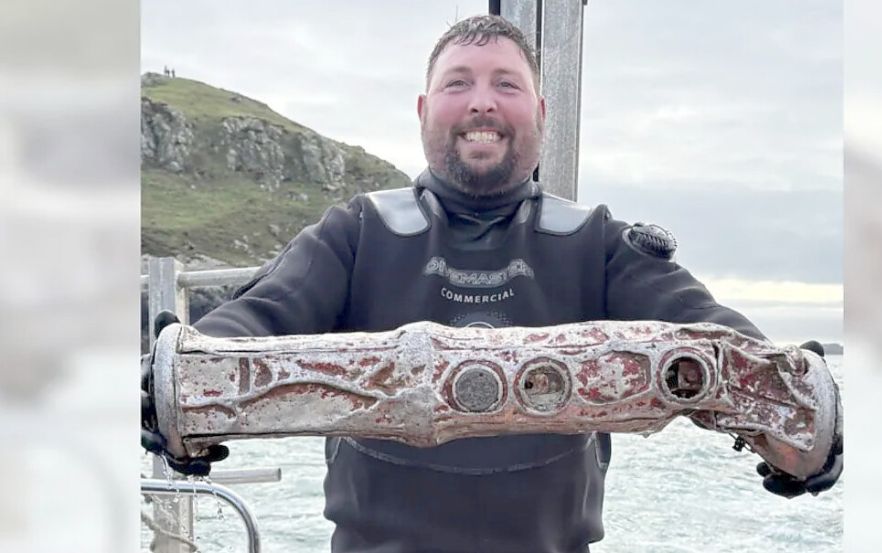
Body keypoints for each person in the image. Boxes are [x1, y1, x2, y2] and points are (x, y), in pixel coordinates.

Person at [142, 15, 842, 553]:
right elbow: (257, 318)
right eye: (458, 84)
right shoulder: (356, 232)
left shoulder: (596, 242)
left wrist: (797, 403)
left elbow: (709, 331)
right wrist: (179, 378)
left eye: (506, 84)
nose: (482, 103)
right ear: (423, 110)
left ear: (540, 111)